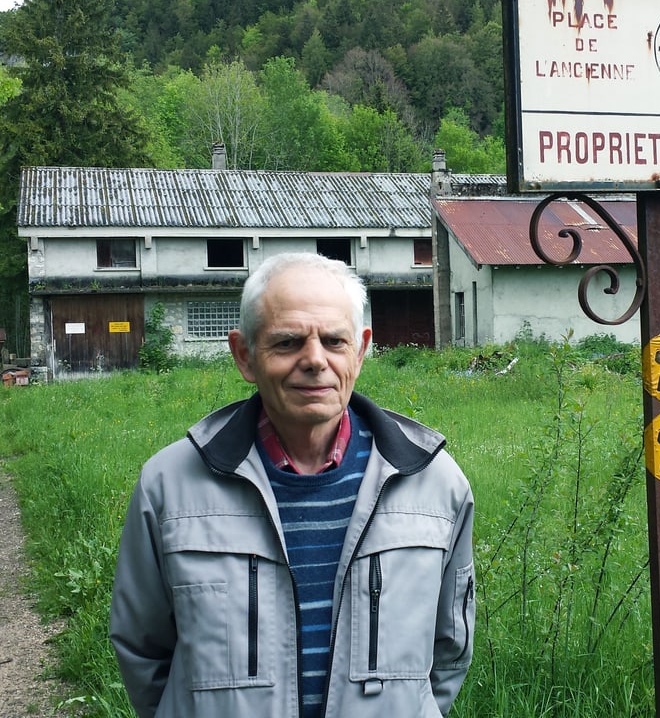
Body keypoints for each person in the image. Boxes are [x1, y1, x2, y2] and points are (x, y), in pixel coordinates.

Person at [110, 252, 475, 718]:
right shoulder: (169, 487)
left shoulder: (436, 484)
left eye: (334, 341)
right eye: (287, 343)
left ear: (360, 350)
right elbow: (143, 650)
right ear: (244, 355)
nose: (315, 360)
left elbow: (448, 653)